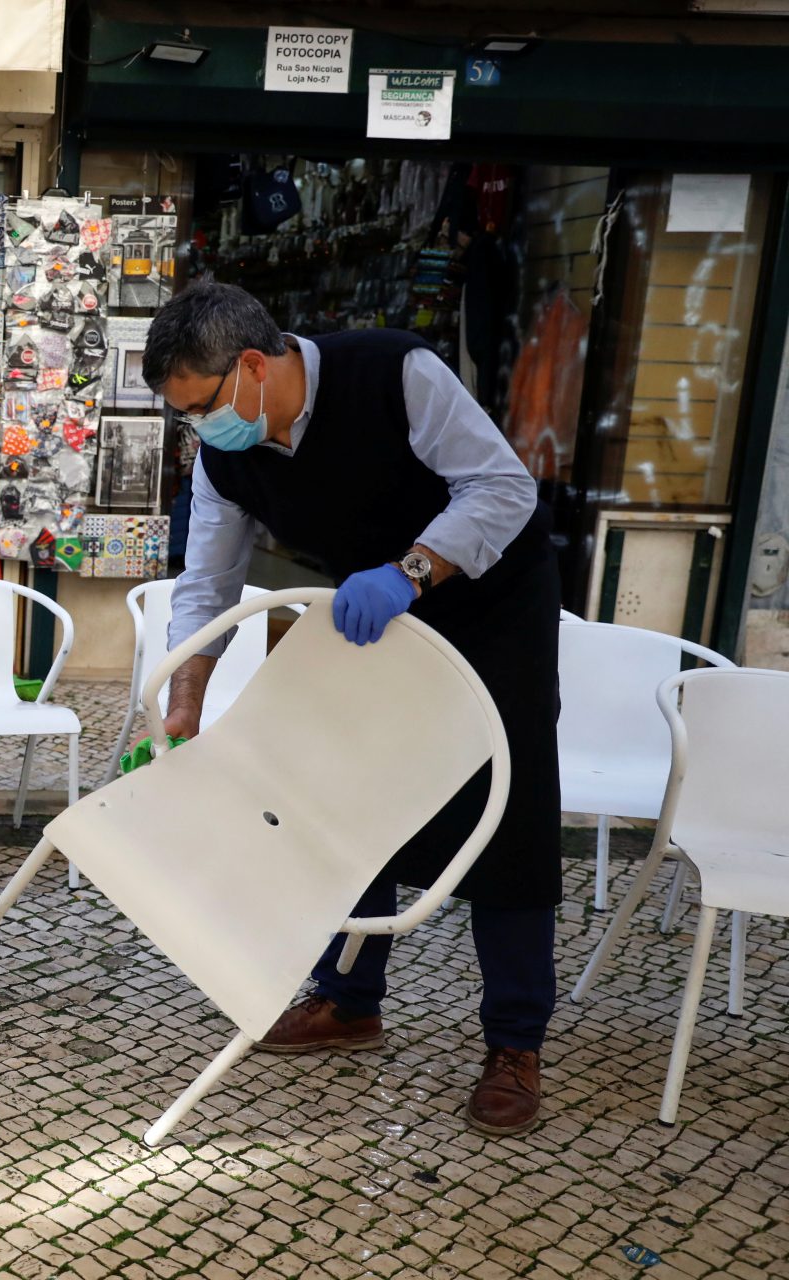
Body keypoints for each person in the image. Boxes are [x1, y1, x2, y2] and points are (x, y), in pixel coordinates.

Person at [145, 283, 561, 1136]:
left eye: (202, 407)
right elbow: (207, 580)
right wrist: (185, 691)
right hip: (371, 618)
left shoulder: (395, 371)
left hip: (488, 605)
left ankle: (514, 1043)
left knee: (507, 821)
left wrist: (410, 571)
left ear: (254, 365)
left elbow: (502, 488)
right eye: (183, 417)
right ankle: (349, 1001)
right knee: (351, 799)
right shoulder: (228, 453)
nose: (200, 429)